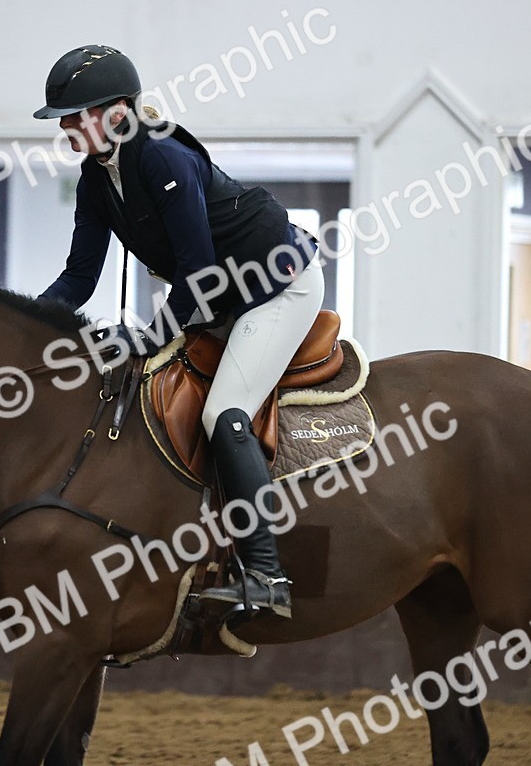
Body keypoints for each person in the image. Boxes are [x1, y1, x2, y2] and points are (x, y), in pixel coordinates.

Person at [34, 45, 325, 620]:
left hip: (274, 286)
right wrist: (20, 324)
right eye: (63, 120)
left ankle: (267, 575)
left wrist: (148, 335)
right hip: (218, 296)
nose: (65, 129)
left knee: (224, 414)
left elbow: (196, 268)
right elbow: (79, 276)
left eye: (75, 116)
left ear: (117, 113)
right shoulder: (97, 177)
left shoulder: (163, 156)